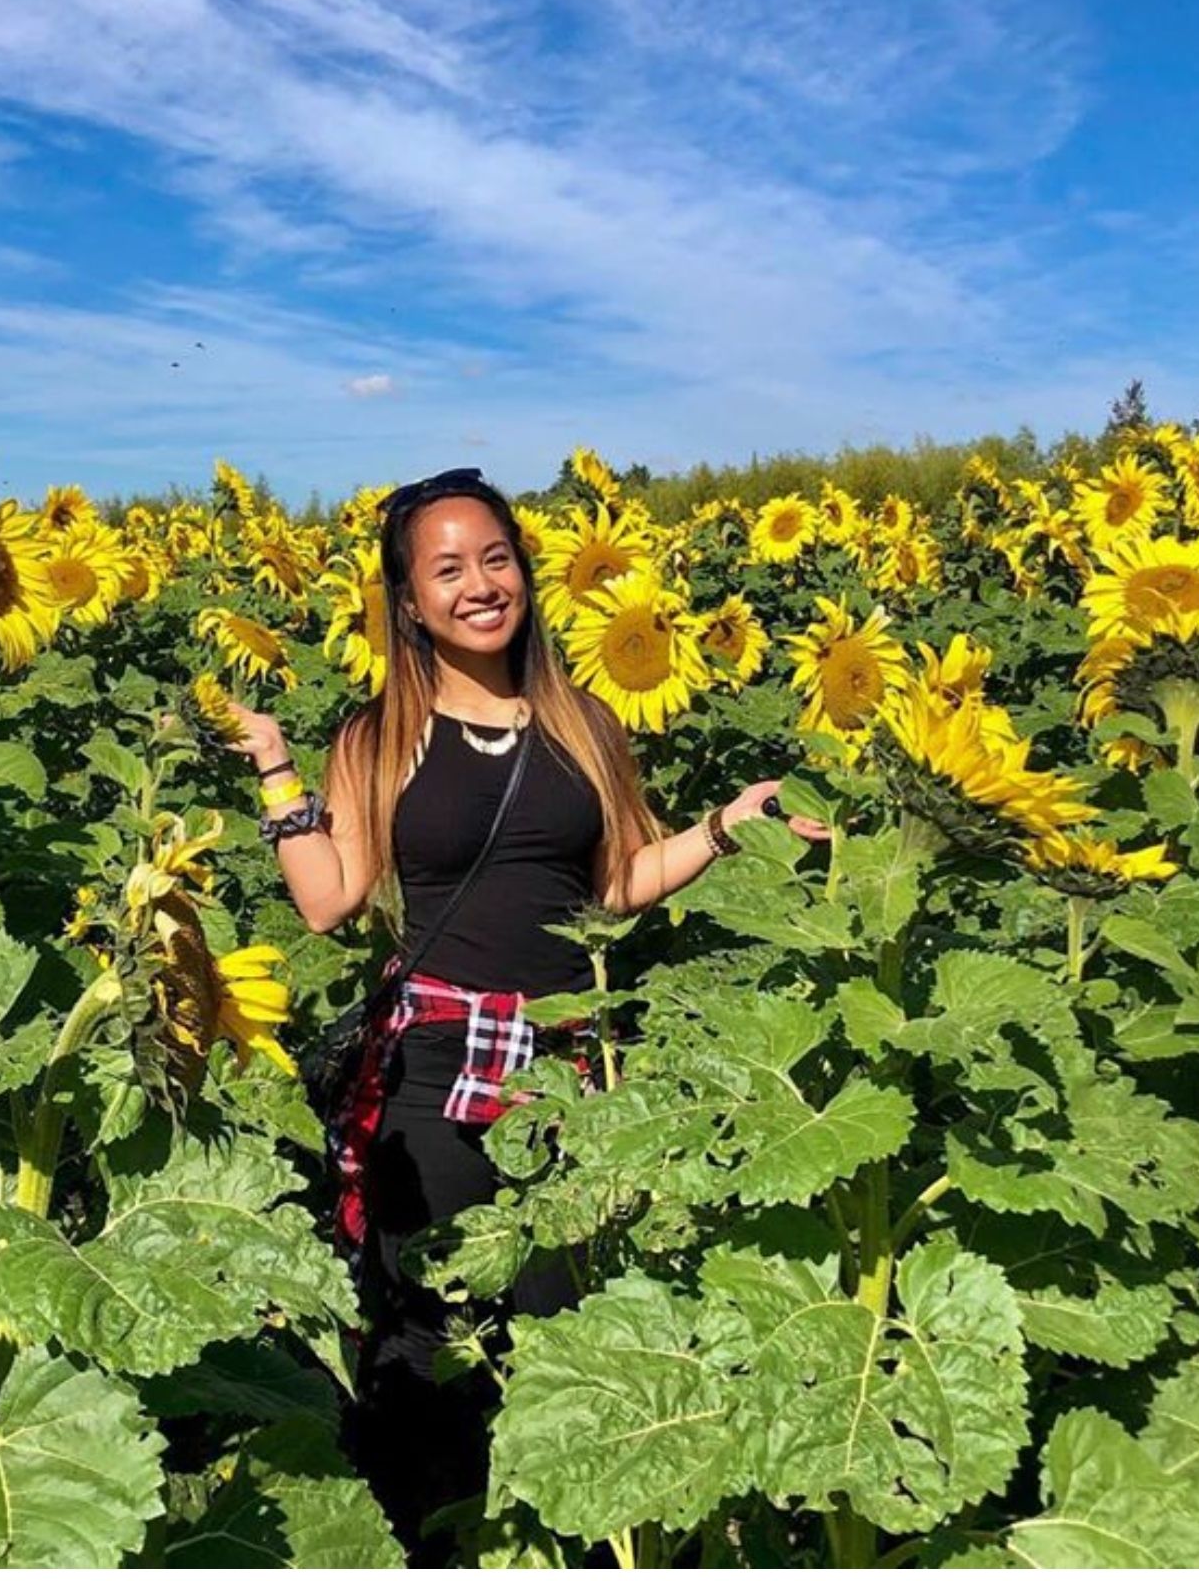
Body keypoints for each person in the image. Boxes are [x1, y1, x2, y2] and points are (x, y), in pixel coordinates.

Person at [219, 468, 828, 1563]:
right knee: (430, 1340)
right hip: (434, 1075)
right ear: (409, 601)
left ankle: (570, 1546)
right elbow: (329, 901)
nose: (479, 585)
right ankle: (429, 1545)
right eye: (447, 569)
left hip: (564, 1076)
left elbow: (617, 885)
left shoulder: (583, 721)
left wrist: (725, 829)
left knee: (563, 1332)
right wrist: (274, 768)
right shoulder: (381, 733)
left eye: (495, 559)